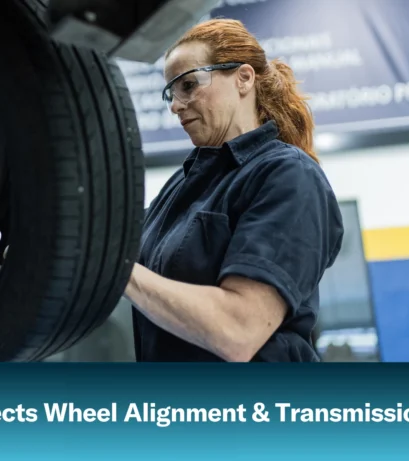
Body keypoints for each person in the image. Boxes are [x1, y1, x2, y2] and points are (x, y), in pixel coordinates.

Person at [123, 18, 344, 362]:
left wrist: (116, 270)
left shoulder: (287, 175)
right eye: (171, 92)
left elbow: (239, 331)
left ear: (243, 78)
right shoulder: (180, 187)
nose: (175, 105)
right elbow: (108, 249)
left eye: (188, 85)